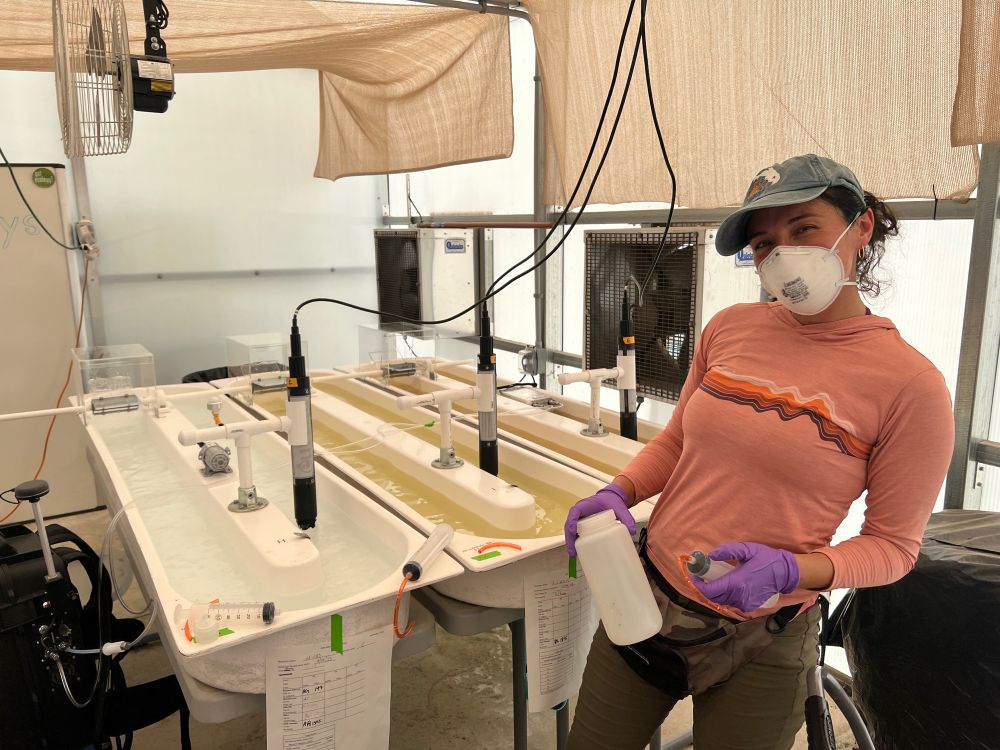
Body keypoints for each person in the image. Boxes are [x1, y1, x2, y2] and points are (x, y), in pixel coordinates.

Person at [564, 154, 955, 750]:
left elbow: (893, 548)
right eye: (765, 243)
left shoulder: (911, 386)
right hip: (644, 596)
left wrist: (794, 570)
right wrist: (620, 490)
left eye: (804, 228)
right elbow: (677, 441)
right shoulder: (730, 327)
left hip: (765, 637)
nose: (783, 254)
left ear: (862, 226)